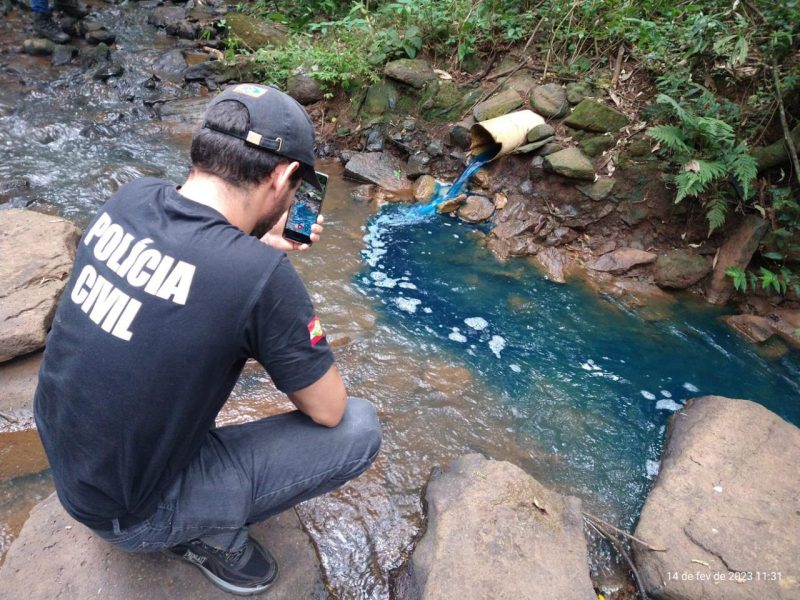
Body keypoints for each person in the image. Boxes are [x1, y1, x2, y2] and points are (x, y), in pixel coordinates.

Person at [34, 83, 382, 596]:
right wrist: (267, 266)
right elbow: (328, 411)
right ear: (285, 176)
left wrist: (252, 242)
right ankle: (202, 534)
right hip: (132, 515)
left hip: (73, 465)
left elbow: (188, 268)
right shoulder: (260, 276)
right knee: (360, 426)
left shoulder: (132, 198)